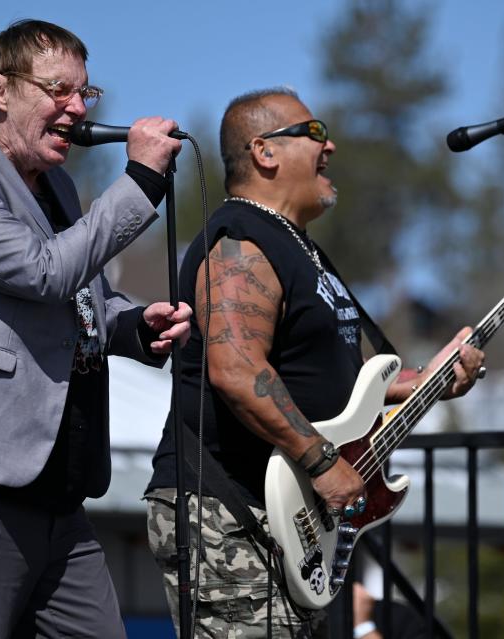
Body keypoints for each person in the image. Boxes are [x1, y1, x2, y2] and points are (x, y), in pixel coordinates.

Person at [0, 19, 190, 638]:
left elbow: (81, 299)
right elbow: (42, 271)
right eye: (58, 91)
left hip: (55, 487)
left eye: (85, 94)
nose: (76, 109)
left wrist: (132, 325)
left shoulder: (58, 187)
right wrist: (142, 183)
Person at [144, 87, 485, 637]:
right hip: (231, 508)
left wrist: (434, 378)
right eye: (315, 132)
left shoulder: (300, 249)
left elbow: (342, 389)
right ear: (265, 151)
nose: (331, 148)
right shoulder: (239, 242)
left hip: (292, 520)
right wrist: (324, 464)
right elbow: (235, 370)